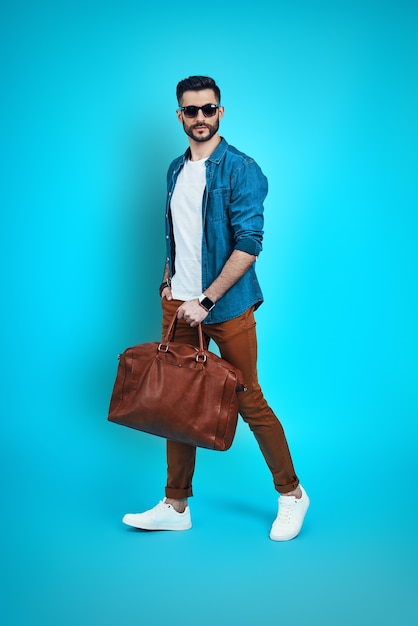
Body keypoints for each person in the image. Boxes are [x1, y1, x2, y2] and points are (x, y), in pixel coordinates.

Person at [123, 76, 309, 541]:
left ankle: (291, 494)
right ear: (180, 116)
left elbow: (249, 244)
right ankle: (176, 504)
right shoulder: (174, 169)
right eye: (192, 111)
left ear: (220, 112)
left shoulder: (241, 169)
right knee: (176, 403)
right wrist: (169, 281)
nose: (201, 118)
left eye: (209, 109)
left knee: (248, 398)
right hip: (178, 306)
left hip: (223, 308)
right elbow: (180, 234)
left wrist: (207, 299)